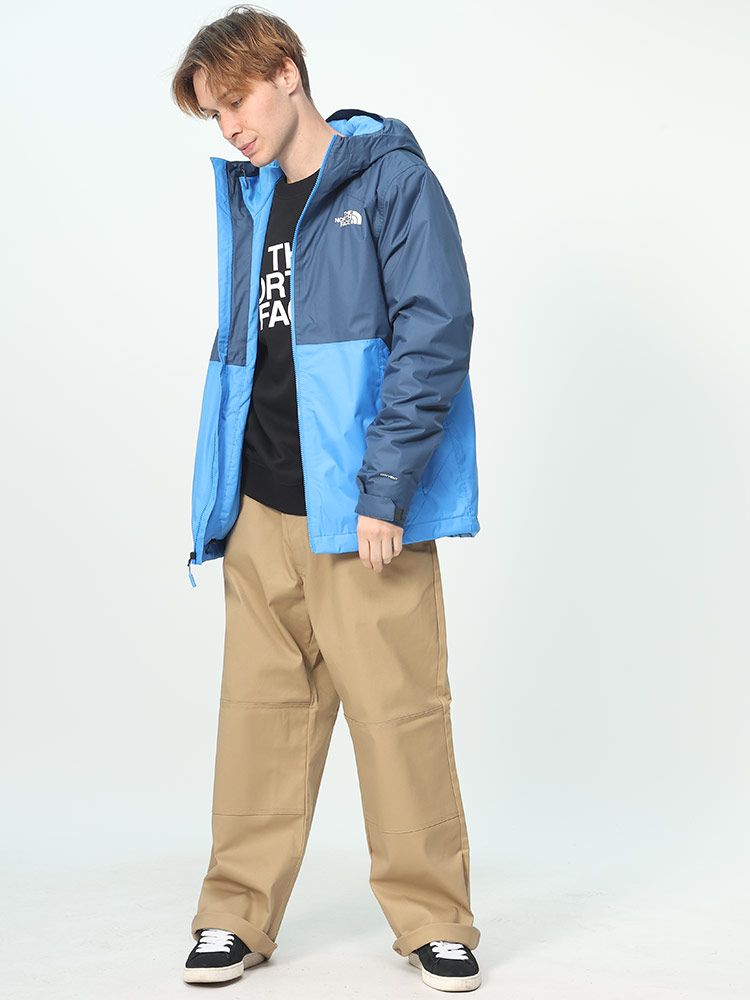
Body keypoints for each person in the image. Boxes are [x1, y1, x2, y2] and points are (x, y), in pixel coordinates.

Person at [170, 4, 482, 992]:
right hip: (262, 507)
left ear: (286, 73)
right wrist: (223, 498)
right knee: (257, 721)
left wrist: (387, 487)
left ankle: (435, 920)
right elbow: (253, 355)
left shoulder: (390, 180)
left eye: (236, 100)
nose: (230, 127)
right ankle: (234, 916)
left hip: (363, 513)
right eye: (215, 114)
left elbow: (435, 333)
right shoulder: (252, 193)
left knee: (398, 716)